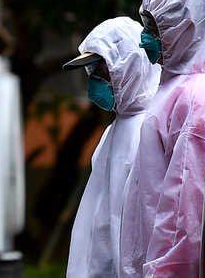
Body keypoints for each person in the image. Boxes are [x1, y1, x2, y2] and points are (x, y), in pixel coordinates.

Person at [119, 0, 205, 278]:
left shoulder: (195, 97)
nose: (143, 38)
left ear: (183, 27)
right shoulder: (174, 88)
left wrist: (164, 271)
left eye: (153, 27)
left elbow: (184, 210)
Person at [61, 16, 161, 278]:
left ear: (128, 64)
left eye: (102, 69)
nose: (95, 79)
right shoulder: (113, 131)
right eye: (92, 72)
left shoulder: (151, 128)